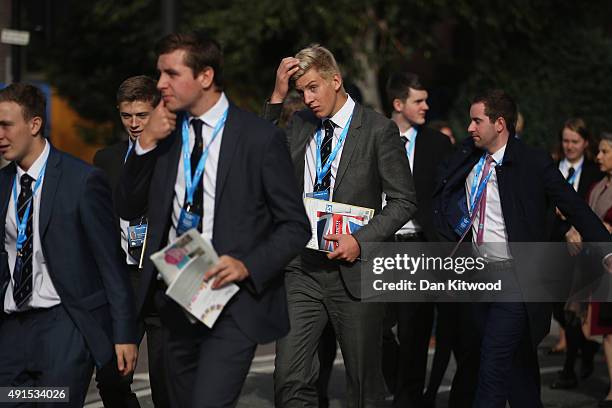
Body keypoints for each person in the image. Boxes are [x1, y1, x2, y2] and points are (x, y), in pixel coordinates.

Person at [116, 33, 310, 408]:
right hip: (176, 297)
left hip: (233, 303)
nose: (160, 84)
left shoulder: (258, 138)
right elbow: (126, 205)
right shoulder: (164, 134)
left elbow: (294, 226)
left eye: (171, 74)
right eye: (159, 74)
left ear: (205, 76)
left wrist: (247, 265)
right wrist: (144, 146)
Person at [432, 89, 610, 407]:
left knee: (492, 364)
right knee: (517, 366)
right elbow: (440, 194)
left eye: (476, 121)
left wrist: (606, 247)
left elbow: (574, 206)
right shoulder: (467, 157)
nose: (470, 128)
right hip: (476, 277)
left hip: (515, 279)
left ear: (499, 123)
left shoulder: (532, 162)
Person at [264, 45, 417, 407]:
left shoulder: (379, 130)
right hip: (302, 269)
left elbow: (404, 201)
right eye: (302, 91)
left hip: (354, 270)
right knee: (289, 377)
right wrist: (276, 96)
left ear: (336, 80)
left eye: (314, 87)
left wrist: (360, 241)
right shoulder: (300, 124)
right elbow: (259, 151)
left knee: (363, 385)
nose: (309, 98)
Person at [0, 83, 138, 407]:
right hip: (11, 328)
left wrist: (124, 334)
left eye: (7, 125)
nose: (0, 134)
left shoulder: (82, 181)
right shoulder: (2, 184)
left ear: (34, 124)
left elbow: (110, 264)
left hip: (64, 324)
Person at [93, 75, 170, 408]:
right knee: (110, 377)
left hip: (167, 277)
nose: (135, 123)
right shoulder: (106, 160)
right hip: (124, 281)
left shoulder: (178, 157)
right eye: (128, 116)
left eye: (142, 115)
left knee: (168, 387)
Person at [382, 72, 453, 408]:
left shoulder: (438, 145)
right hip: (377, 245)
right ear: (398, 104)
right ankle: (397, 379)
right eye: (418, 101)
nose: (426, 106)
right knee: (374, 328)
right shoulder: (371, 137)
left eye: (426, 100)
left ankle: (408, 399)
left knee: (414, 332)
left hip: (418, 247)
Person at [549, 118, 603, 389]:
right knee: (555, 305)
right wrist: (564, 228)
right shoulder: (552, 168)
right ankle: (584, 346)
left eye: (575, 141)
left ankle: (569, 368)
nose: (569, 146)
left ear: (585, 143)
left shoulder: (594, 173)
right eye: (566, 141)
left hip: (582, 252)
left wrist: (577, 228)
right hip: (555, 246)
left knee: (571, 310)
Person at [576, 132, 612, 407]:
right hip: (601, 266)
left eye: (604, 151)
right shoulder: (597, 187)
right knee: (605, 330)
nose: (598, 157)